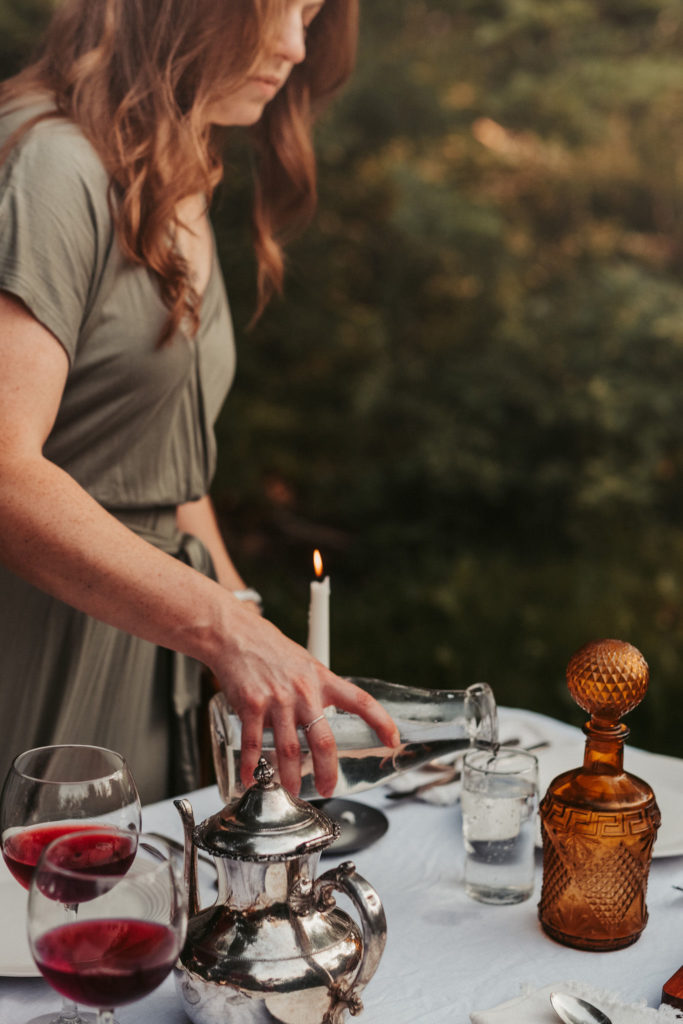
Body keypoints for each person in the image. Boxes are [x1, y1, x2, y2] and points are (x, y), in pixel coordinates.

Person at [0, 0, 399, 804]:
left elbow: (169, 479)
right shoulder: (52, 163)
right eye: (271, 10)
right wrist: (223, 629)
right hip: (38, 662)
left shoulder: (171, 172)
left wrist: (253, 635)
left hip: (148, 656)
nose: (293, 46)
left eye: (310, 13)